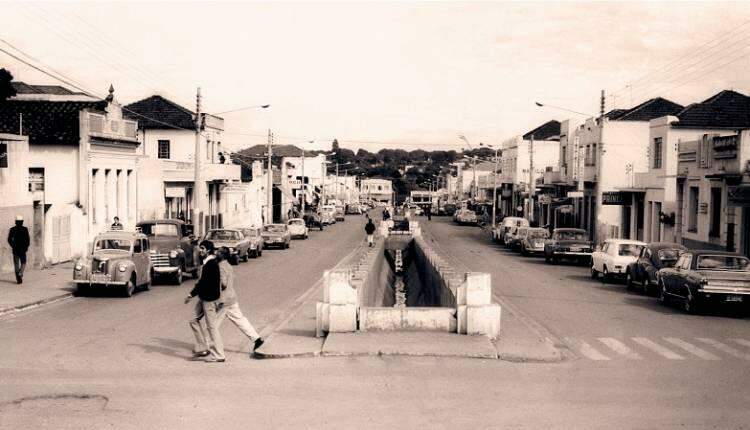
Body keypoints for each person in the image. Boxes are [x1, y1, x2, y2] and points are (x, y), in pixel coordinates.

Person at [216, 247, 264, 353]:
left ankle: (205, 345)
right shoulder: (228, 265)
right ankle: (257, 339)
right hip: (232, 298)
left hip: (223, 300)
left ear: (222, 255)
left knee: (212, 324)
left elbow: (223, 283)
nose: (216, 253)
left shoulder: (220, 267)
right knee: (240, 319)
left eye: (218, 252)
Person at [185, 240, 225, 363]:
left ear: (207, 250)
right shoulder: (208, 263)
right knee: (193, 320)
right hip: (204, 298)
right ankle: (203, 348)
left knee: (211, 327)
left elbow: (203, 283)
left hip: (209, 299)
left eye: (202, 248)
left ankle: (219, 355)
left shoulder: (211, 264)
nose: (200, 250)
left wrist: (191, 294)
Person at [7, 215, 30, 284]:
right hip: (23, 249)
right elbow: (28, 240)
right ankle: (21, 273)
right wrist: (26, 247)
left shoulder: (12, 229)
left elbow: (9, 239)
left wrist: (12, 246)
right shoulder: (25, 229)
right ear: (22, 222)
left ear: (15, 222)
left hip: (15, 249)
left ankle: (18, 279)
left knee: (16, 264)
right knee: (24, 262)